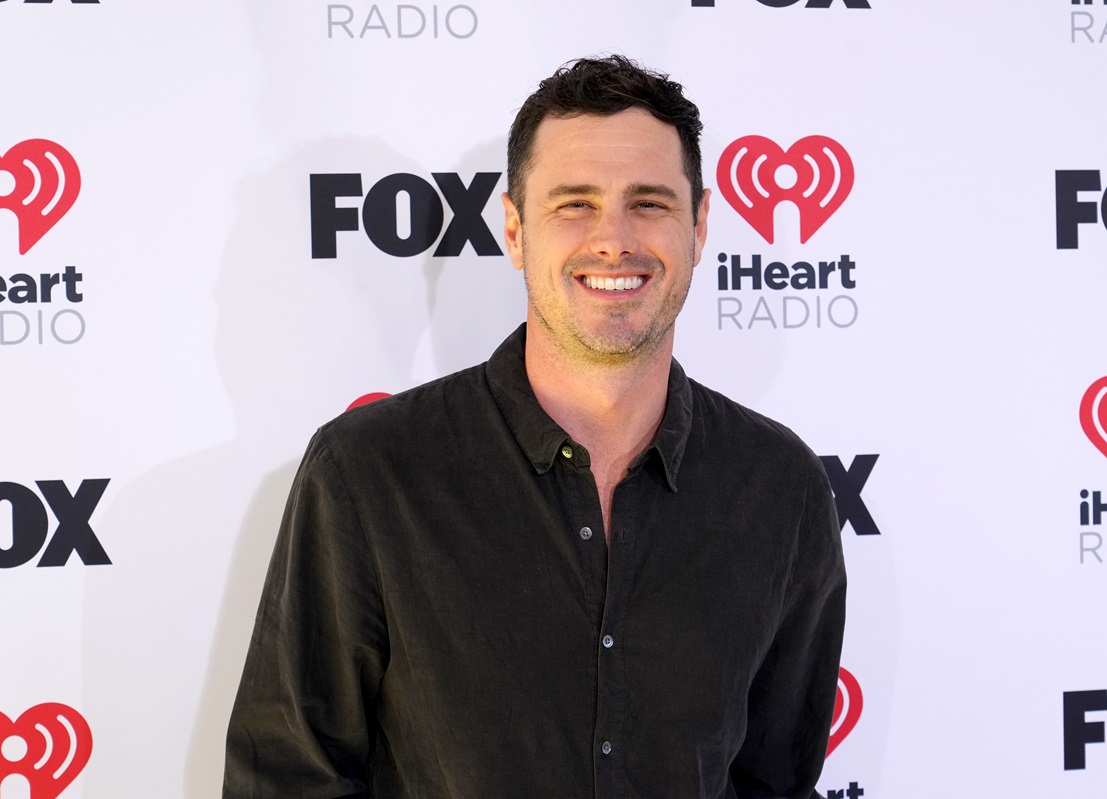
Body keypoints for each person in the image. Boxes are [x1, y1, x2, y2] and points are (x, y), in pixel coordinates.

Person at [224, 55, 846, 799]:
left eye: (648, 202)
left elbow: (776, 783)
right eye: (574, 204)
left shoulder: (779, 488)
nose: (613, 238)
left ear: (699, 225)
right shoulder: (368, 474)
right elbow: (285, 781)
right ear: (515, 231)